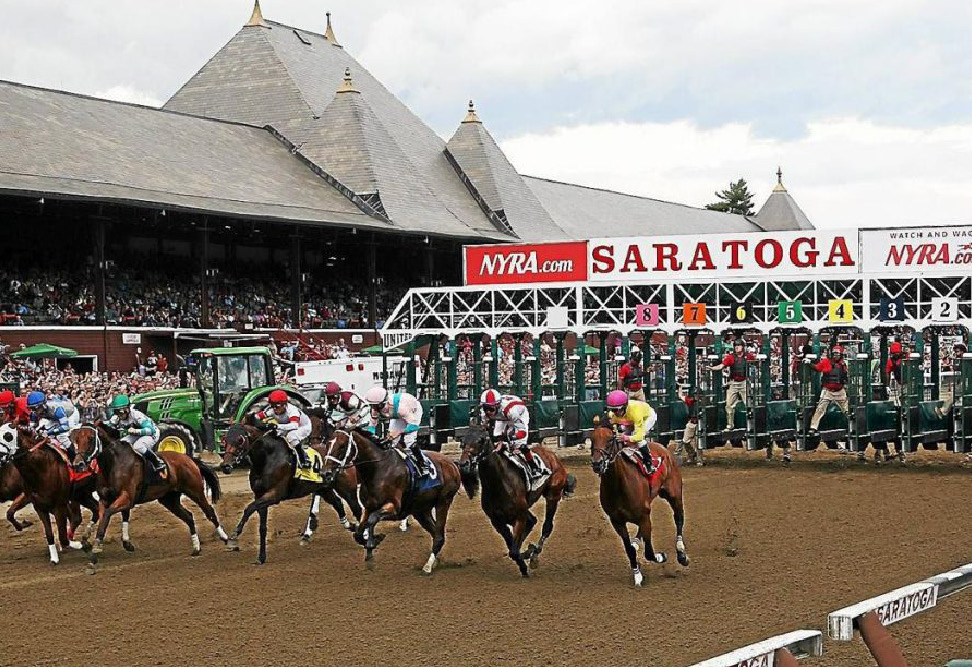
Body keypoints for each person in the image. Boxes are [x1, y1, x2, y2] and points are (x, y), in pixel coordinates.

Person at [363, 386, 429, 476]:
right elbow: (372, 427)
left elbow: (414, 427)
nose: (374, 409)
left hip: (413, 411)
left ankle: (424, 464)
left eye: (376, 406)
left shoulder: (402, 408)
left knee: (409, 440)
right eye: (372, 406)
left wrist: (399, 432)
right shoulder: (375, 410)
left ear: (382, 403)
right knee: (391, 442)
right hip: (397, 416)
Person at [479, 388, 542, 475]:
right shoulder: (483, 413)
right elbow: (483, 428)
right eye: (486, 409)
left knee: (519, 445)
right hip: (502, 417)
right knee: (496, 441)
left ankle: (533, 466)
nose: (488, 412)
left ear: (497, 406)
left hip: (519, 414)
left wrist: (511, 437)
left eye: (491, 409)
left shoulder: (511, 412)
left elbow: (522, 433)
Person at [107, 394, 166, 473]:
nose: (118, 414)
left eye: (120, 411)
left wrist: (136, 431)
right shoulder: (116, 418)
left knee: (138, 446)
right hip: (135, 434)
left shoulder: (136, 415)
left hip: (151, 434)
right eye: (116, 411)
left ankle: (157, 462)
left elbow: (151, 430)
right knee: (121, 444)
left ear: (127, 409)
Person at [605, 389, 658, 475]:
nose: (614, 413)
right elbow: (614, 425)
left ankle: (648, 463)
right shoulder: (612, 414)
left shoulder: (636, 413)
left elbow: (639, 436)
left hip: (646, 417)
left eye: (616, 410)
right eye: (611, 409)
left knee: (637, 439)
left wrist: (625, 437)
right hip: (629, 418)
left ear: (624, 407)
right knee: (622, 434)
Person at [254, 390, 313, 468]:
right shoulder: (272, 409)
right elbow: (258, 416)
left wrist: (277, 426)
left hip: (302, 427)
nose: (274, 409)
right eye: (272, 406)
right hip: (286, 426)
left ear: (284, 405)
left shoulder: (292, 411)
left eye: (277, 406)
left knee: (291, 436)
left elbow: (294, 425)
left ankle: (304, 459)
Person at [709, 339, 756, 431]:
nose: (736, 347)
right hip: (733, 383)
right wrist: (712, 368)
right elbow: (721, 366)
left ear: (743, 347)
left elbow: (757, 361)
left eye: (738, 346)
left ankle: (751, 426)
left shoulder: (748, 356)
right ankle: (730, 425)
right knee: (729, 405)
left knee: (749, 405)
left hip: (744, 383)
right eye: (735, 346)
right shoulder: (731, 357)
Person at [807, 346, 850, 435]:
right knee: (820, 408)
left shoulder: (843, 364)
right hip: (828, 391)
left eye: (838, 354)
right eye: (834, 354)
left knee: (847, 410)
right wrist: (809, 364)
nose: (836, 356)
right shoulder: (826, 361)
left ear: (841, 355)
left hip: (840, 391)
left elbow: (846, 377)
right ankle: (813, 427)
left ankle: (853, 426)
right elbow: (818, 368)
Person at [674, 392, 704, 466]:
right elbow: (687, 400)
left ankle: (699, 459)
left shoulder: (703, 402)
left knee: (698, 442)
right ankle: (691, 453)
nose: (696, 396)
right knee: (685, 441)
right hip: (691, 423)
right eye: (695, 395)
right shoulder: (689, 401)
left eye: (698, 395)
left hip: (700, 423)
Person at [885, 341, 905, 408]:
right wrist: (887, 386)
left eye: (897, 353)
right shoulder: (890, 361)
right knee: (902, 397)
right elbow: (887, 373)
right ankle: (904, 410)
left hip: (910, 382)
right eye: (894, 353)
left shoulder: (905, 357)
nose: (896, 355)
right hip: (899, 382)